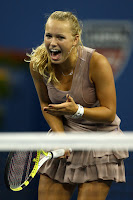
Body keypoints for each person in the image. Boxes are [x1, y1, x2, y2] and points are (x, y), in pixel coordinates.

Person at [28, 11, 129, 200]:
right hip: (65, 136)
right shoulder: (38, 64)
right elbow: (45, 104)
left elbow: (109, 113)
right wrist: (61, 137)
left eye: (60, 37)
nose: (52, 43)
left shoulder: (97, 62)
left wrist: (78, 111)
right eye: (48, 35)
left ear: (75, 40)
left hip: (100, 143)